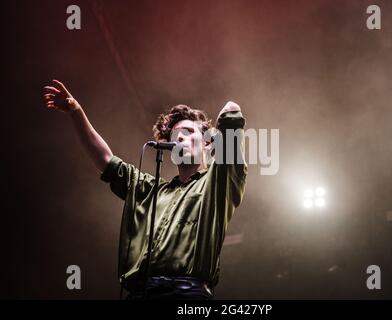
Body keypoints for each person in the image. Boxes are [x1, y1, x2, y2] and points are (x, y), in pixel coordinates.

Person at [43, 80, 247, 300]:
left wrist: (219, 138)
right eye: (174, 135)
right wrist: (76, 111)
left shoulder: (217, 182)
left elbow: (232, 109)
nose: (178, 137)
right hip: (141, 293)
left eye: (188, 132)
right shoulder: (150, 189)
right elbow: (106, 160)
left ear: (207, 143)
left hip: (187, 293)